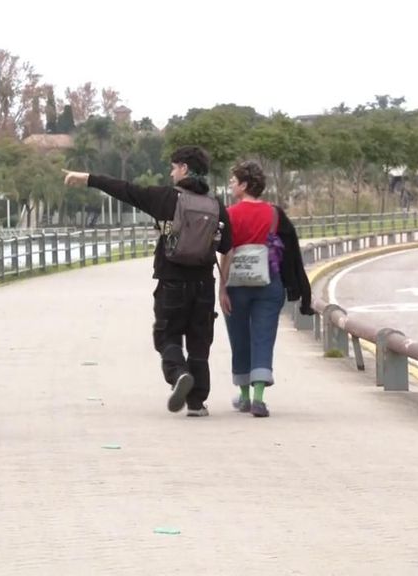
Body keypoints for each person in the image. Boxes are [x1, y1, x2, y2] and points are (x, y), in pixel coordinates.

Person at [62, 146, 232, 417]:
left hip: (171, 282)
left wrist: (88, 179)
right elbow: (227, 245)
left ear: (184, 169)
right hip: (203, 285)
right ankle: (197, 403)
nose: (171, 172)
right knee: (200, 341)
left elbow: (126, 190)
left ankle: (178, 373)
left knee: (167, 335)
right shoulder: (215, 205)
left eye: (174, 167)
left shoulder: (165, 197)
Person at [219, 161, 313, 418]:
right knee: (263, 338)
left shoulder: (230, 214)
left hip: (237, 285)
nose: (230, 184)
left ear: (244, 185)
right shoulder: (274, 213)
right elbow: (291, 249)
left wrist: (222, 289)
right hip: (270, 283)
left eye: (233, 180)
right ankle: (260, 398)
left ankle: (245, 398)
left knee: (239, 339)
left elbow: (226, 252)